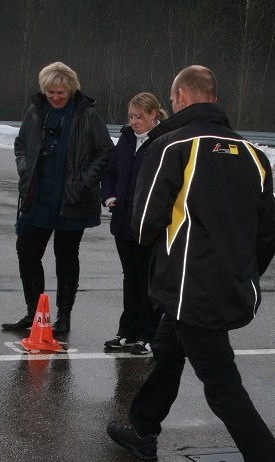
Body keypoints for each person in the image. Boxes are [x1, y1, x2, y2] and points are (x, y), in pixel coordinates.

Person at [106, 66, 275, 462]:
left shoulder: (171, 146)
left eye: (173, 100)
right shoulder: (253, 154)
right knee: (169, 350)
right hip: (217, 286)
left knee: (222, 386)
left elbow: (145, 222)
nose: (171, 107)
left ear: (183, 96)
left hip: (191, 287)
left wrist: (163, 264)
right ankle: (144, 430)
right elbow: (272, 230)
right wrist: (240, 272)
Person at [2, 62, 114, 334]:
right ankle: (34, 313)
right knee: (26, 252)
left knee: (66, 258)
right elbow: (21, 145)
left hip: (72, 201)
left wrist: (82, 182)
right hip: (37, 196)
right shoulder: (35, 109)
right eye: (51, 91)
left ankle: (64, 317)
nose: (55, 97)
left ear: (71, 90)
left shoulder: (86, 114)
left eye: (61, 93)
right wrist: (25, 169)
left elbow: (106, 151)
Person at [100, 93, 168, 355]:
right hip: (123, 223)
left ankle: (147, 336)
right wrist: (109, 197)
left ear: (153, 115)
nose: (134, 121)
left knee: (147, 280)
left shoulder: (164, 142)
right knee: (131, 279)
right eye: (130, 116)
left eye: (139, 116)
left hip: (149, 226)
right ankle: (126, 332)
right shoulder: (127, 138)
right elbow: (111, 171)